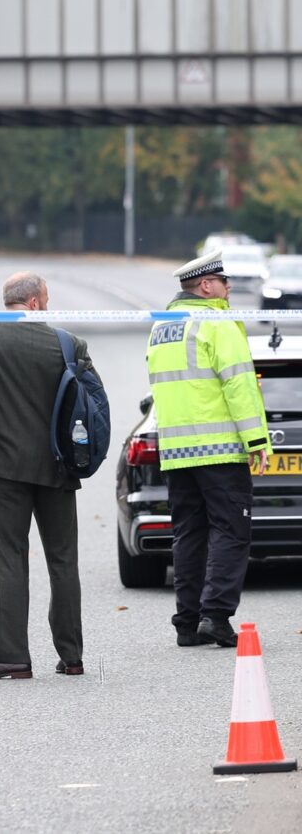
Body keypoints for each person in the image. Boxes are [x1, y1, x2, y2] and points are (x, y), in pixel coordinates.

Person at [0, 272, 97, 680]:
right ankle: (72, 656)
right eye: (46, 298)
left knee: (10, 560)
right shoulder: (68, 344)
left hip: (4, 468)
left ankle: (13, 657)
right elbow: (93, 401)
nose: (48, 305)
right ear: (32, 303)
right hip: (59, 467)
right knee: (63, 561)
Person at [146, 251, 270, 648]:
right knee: (232, 531)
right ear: (206, 286)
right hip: (219, 449)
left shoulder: (163, 326)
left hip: (177, 449)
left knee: (188, 534)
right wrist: (257, 440)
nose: (229, 287)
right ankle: (215, 616)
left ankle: (187, 622)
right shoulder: (216, 321)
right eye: (223, 280)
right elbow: (239, 385)